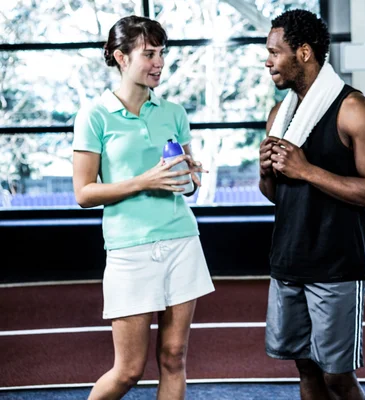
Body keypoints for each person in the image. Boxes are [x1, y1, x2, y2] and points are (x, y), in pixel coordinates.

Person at [72, 15, 214, 400]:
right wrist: (144, 181)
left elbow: (186, 183)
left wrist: (191, 175)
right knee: (129, 370)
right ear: (120, 57)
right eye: (148, 54)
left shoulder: (174, 112)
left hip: (182, 241)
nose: (159, 63)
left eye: (161, 53)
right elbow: (83, 193)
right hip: (130, 250)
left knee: (174, 357)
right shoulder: (94, 115)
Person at [259, 9, 365, 400]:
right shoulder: (278, 116)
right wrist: (266, 171)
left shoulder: (356, 110)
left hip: (335, 267)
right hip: (287, 262)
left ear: (303, 52)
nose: (267, 61)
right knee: (305, 369)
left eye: (274, 52)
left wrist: (305, 170)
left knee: (337, 377)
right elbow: (276, 195)